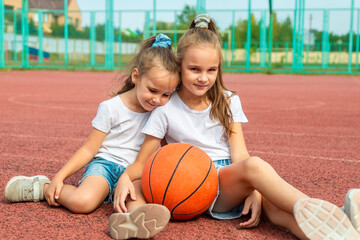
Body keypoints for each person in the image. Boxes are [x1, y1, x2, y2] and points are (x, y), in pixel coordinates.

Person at [113, 14, 360, 240]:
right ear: (179, 66)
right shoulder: (166, 107)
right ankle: (132, 220)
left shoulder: (228, 100)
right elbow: (145, 159)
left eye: (211, 70)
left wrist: (254, 190)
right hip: (190, 182)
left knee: (276, 212)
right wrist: (124, 177)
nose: (203, 78)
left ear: (219, 68)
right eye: (194, 69)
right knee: (137, 186)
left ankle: (338, 230)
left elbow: (240, 155)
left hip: (228, 181)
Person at [4, 34, 180, 239]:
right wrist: (59, 177)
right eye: (152, 90)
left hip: (135, 172)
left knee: (138, 205)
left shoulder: (161, 112)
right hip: (105, 165)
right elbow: (89, 149)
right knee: (83, 202)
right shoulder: (111, 108)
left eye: (166, 95)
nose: (157, 99)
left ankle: (128, 224)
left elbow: (167, 149)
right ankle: (42, 188)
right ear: (136, 76)